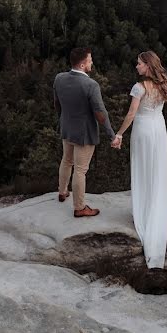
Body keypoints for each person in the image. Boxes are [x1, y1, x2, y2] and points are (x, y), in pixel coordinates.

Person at [112, 51, 167, 268]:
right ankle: (154, 209)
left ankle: (143, 212)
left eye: (139, 63)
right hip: (159, 129)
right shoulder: (162, 85)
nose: (136, 66)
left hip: (144, 129)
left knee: (142, 169)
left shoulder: (139, 87)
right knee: (156, 171)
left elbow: (131, 114)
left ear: (147, 65)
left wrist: (119, 134)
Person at [54, 47, 116, 217]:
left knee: (66, 161)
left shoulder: (59, 78)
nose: (92, 63)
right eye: (90, 60)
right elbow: (101, 114)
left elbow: (57, 103)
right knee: (80, 170)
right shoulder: (90, 85)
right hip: (84, 133)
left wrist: (63, 120)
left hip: (67, 128)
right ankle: (79, 207)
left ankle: (62, 192)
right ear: (82, 64)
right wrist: (112, 135)